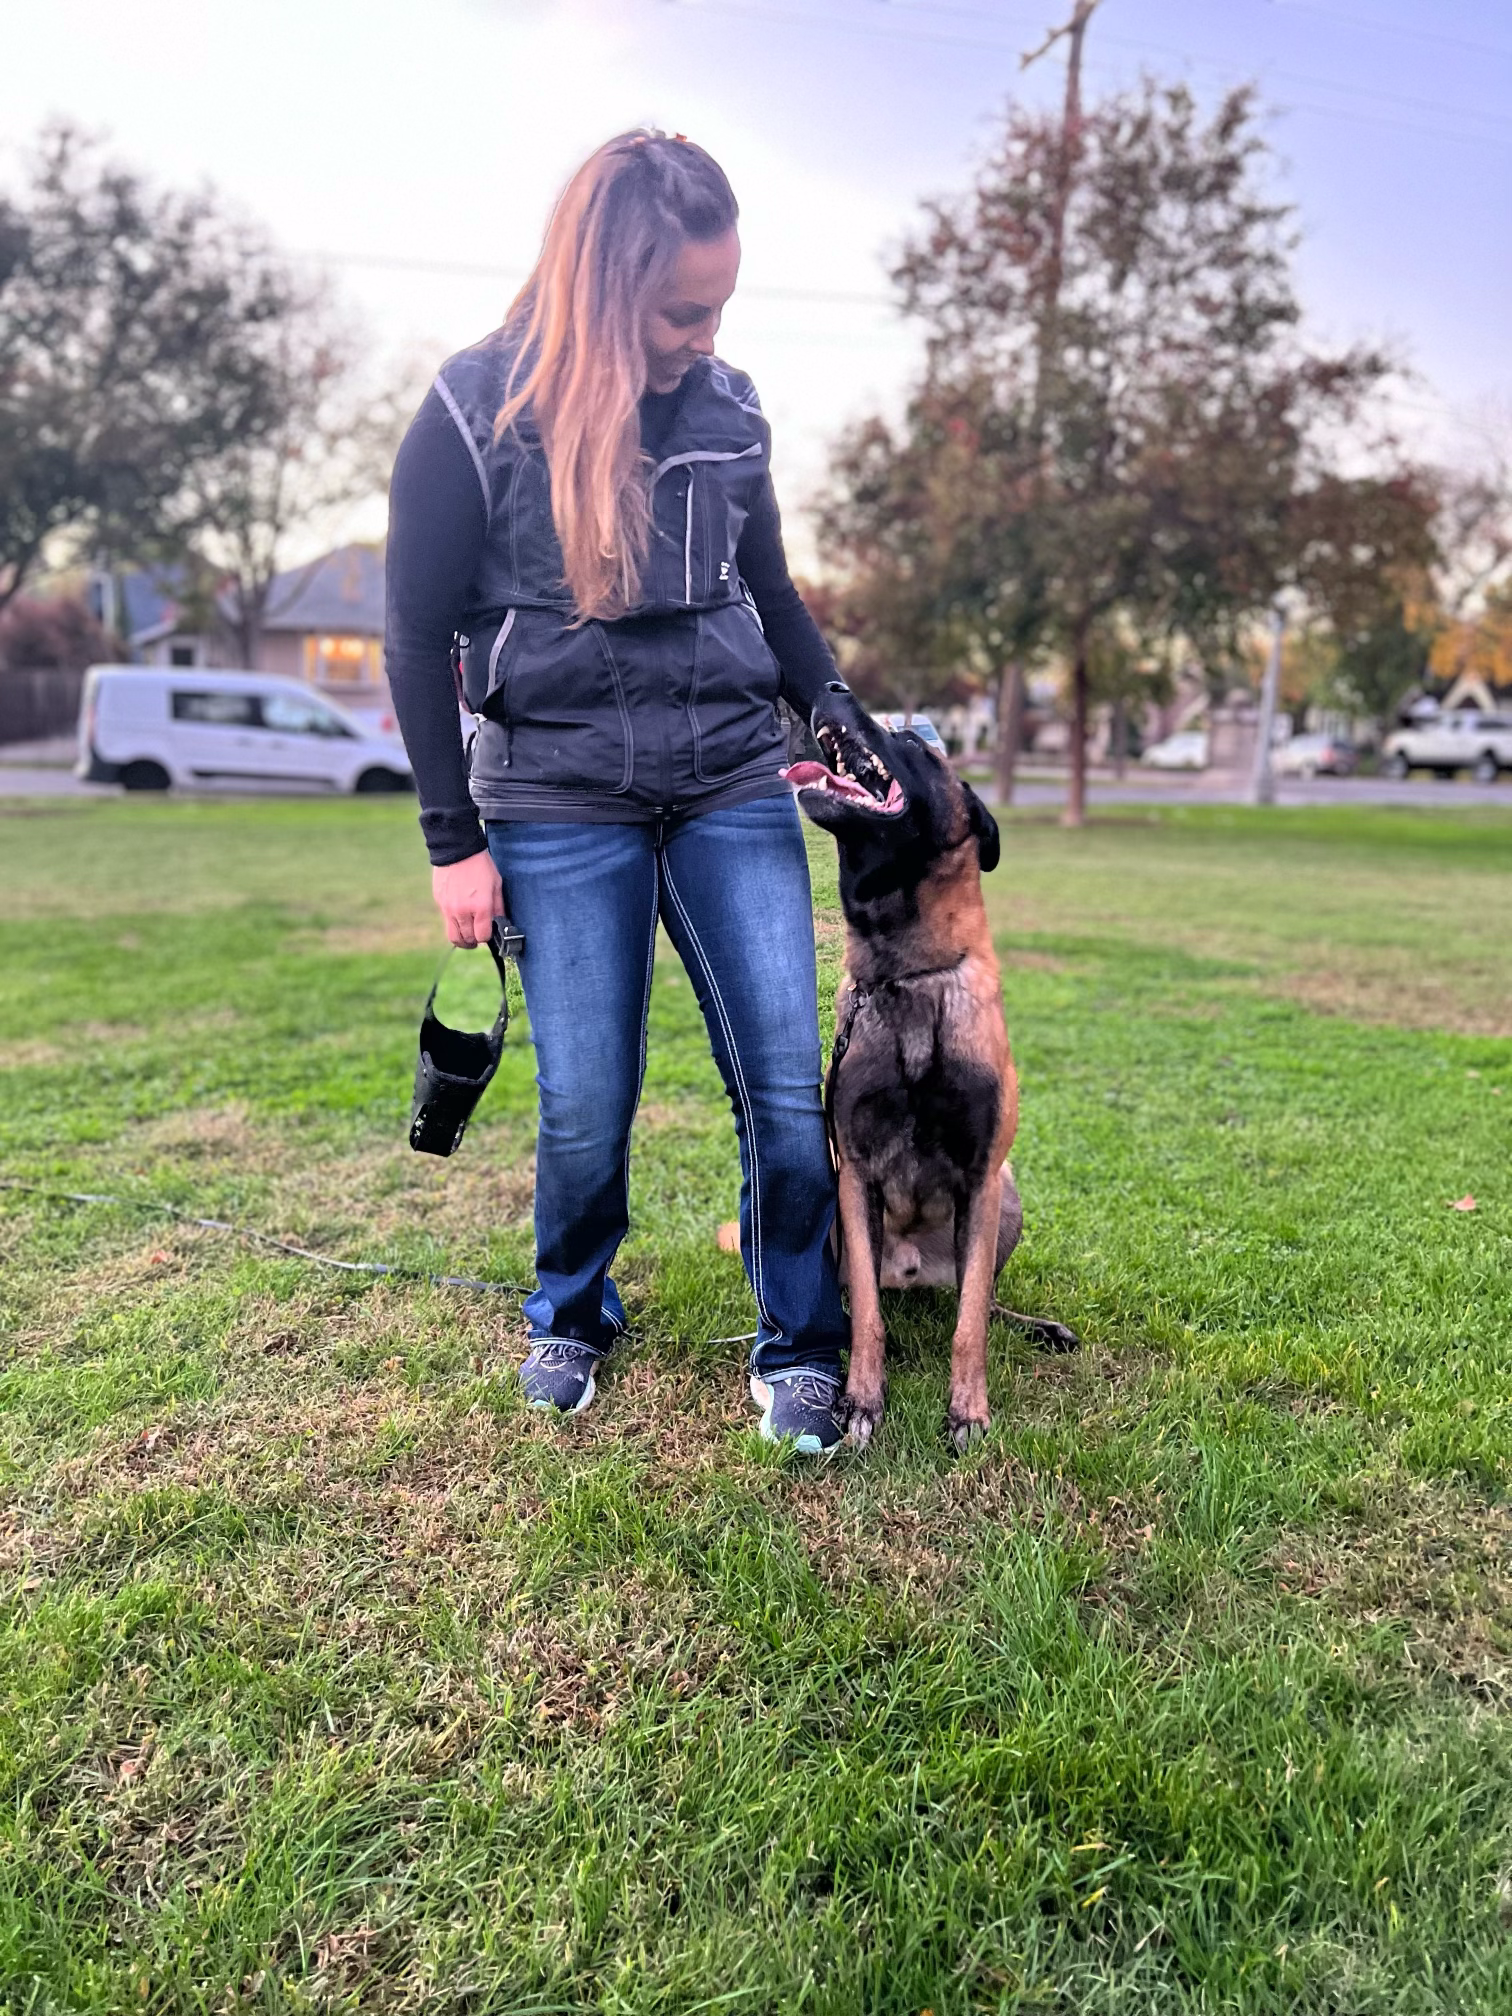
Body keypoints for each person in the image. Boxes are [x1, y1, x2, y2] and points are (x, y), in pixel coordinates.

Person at [386, 130, 851, 1455]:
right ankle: (572, 1310)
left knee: (778, 1080)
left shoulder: (732, 409)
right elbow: (417, 640)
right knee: (587, 1094)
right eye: (682, 309)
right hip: (555, 795)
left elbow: (773, 592)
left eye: (723, 303)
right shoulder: (473, 414)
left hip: (725, 779)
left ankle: (803, 1341)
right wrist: (452, 843)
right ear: (601, 290)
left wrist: (830, 701)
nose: (709, 335)